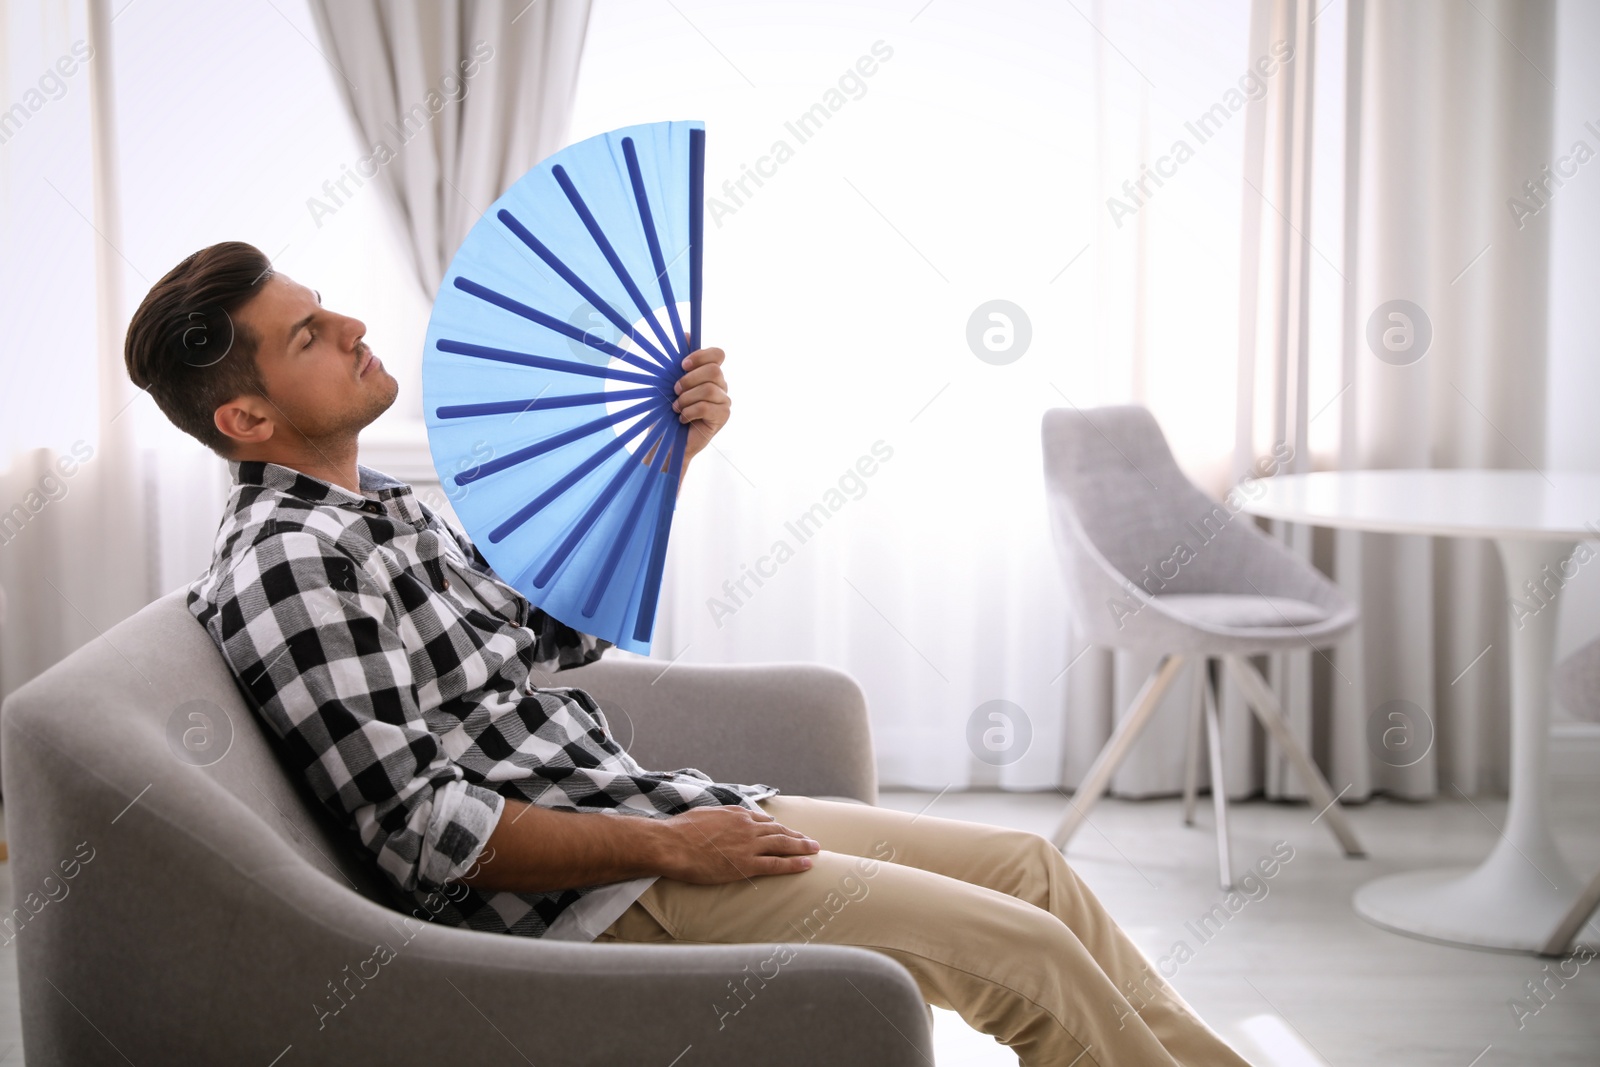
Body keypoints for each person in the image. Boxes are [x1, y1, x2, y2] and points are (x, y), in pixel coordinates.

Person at [124, 240, 1256, 1067]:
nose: (355, 327)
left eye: (326, 307)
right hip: (599, 895)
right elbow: (426, 831)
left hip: (646, 810)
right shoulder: (289, 562)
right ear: (247, 421)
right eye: (309, 336)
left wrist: (666, 454)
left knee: (1030, 869)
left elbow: (543, 629)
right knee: (1023, 950)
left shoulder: (381, 509)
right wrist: (673, 844)